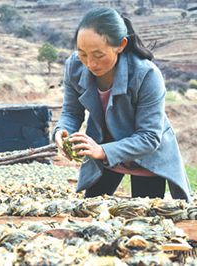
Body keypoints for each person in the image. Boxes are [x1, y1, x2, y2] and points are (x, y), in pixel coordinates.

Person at [54, 7, 191, 201]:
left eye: (98, 55)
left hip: (146, 156)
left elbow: (149, 137)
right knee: (90, 211)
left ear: (121, 45)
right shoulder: (74, 67)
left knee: (144, 220)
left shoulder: (146, 75)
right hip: (105, 154)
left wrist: (102, 150)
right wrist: (61, 131)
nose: (90, 63)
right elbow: (71, 112)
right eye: (83, 54)